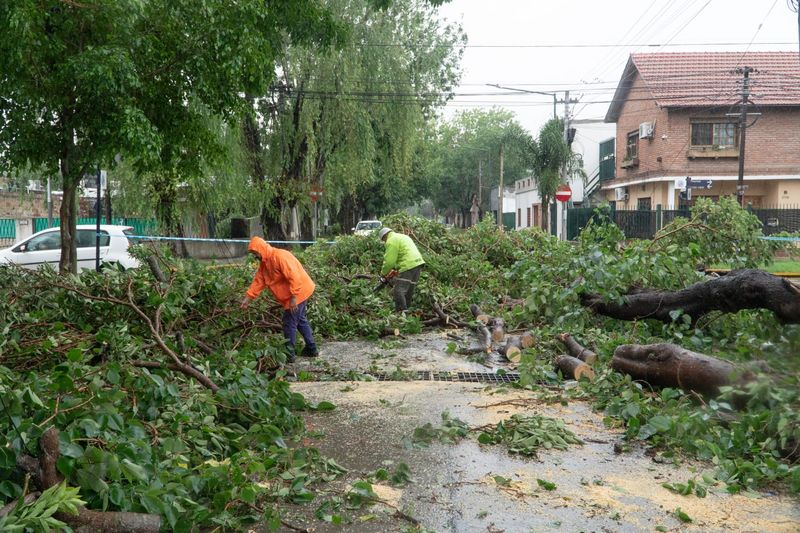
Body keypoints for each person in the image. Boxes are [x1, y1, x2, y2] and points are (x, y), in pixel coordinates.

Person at [240, 236, 318, 362]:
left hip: (298, 292)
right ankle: (312, 348)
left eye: (255, 253)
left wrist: (294, 297)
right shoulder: (265, 263)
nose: (255, 256)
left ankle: (289, 354)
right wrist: (248, 298)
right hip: (295, 294)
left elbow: (295, 276)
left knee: (289, 323)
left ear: (261, 249)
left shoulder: (280, 257)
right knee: (300, 320)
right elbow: (259, 281)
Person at [378, 227, 425, 312]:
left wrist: (383, 274)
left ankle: (401, 313)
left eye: (383, 240)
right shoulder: (403, 237)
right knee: (408, 290)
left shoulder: (391, 240)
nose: (384, 242)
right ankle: (407, 312)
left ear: (384, 236)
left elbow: (389, 262)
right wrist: (396, 269)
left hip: (408, 265)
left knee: (398, 290)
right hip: (418, 264)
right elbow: (403, 253)